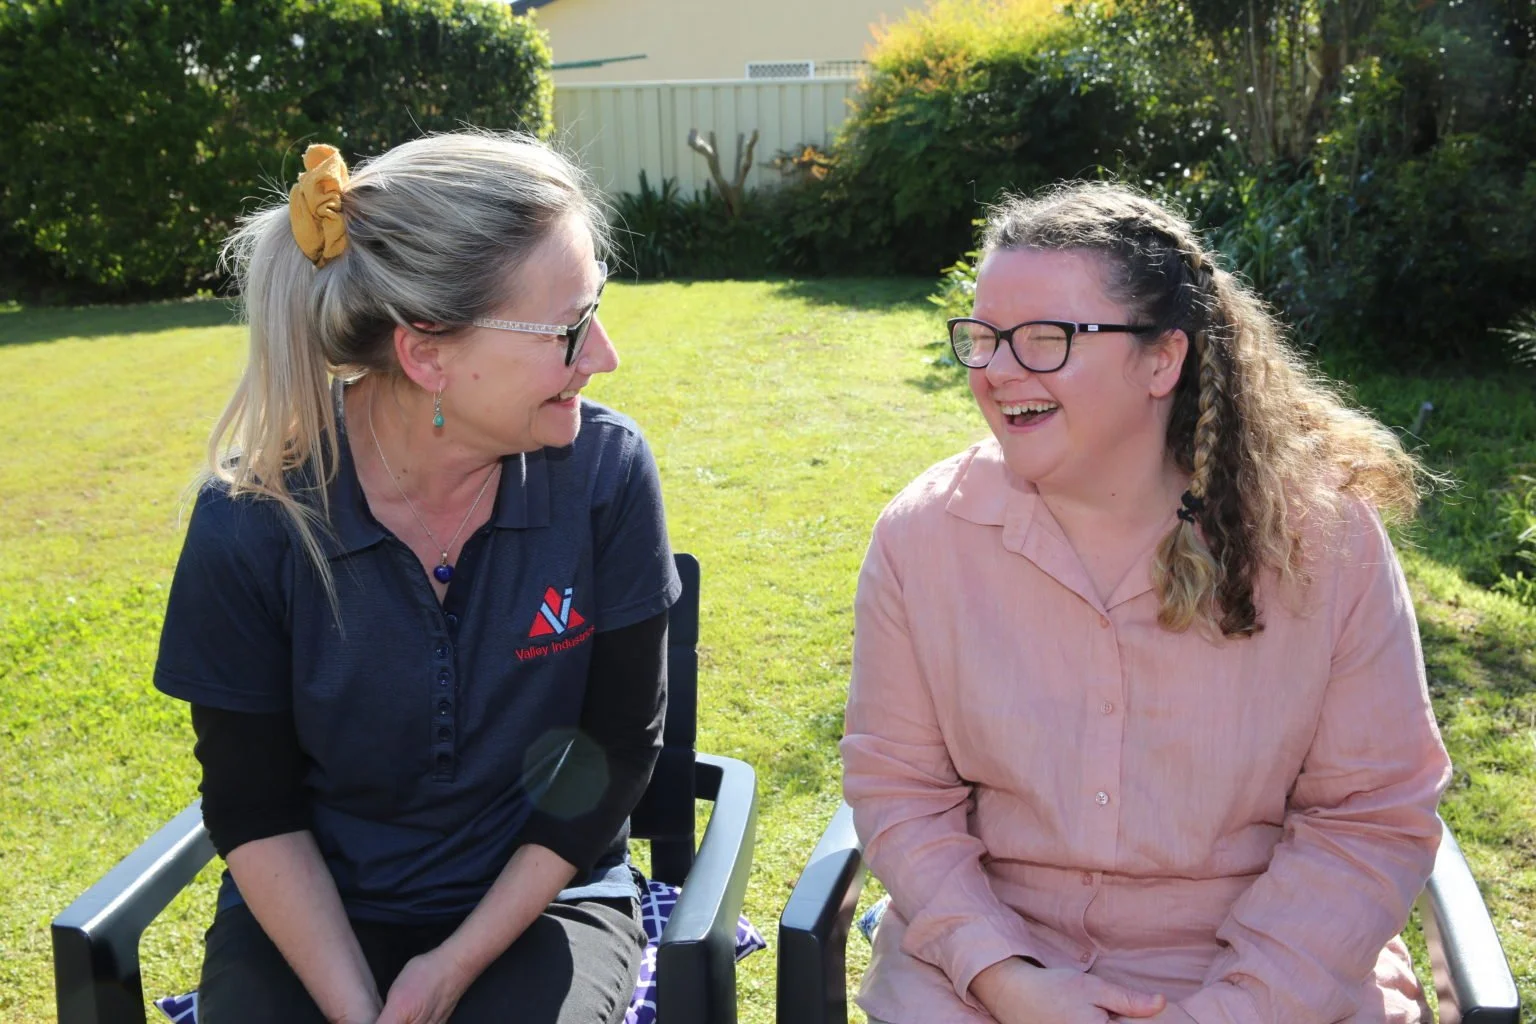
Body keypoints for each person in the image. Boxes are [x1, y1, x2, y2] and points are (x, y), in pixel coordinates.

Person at [841, 182, 1452, 1024]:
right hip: (985, 981)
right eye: (981, 339)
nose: (997, 372)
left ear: (1162, 359)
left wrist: (1229, 1012)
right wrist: (1007, 978)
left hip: (1273, 987)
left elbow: (1369, 816)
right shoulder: (923, 538)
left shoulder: (1322, 542)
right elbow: (900, 793)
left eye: (1046, 339)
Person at [153, 133, 681, 1024]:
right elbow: (254, 806)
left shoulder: (604, 475)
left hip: (544, 903)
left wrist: (448, 970)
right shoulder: (252, 524)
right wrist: (360, 1010)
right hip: (312, 916)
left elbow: (621, 747)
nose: (604, 357)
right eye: (569, 327)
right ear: (426, 354)